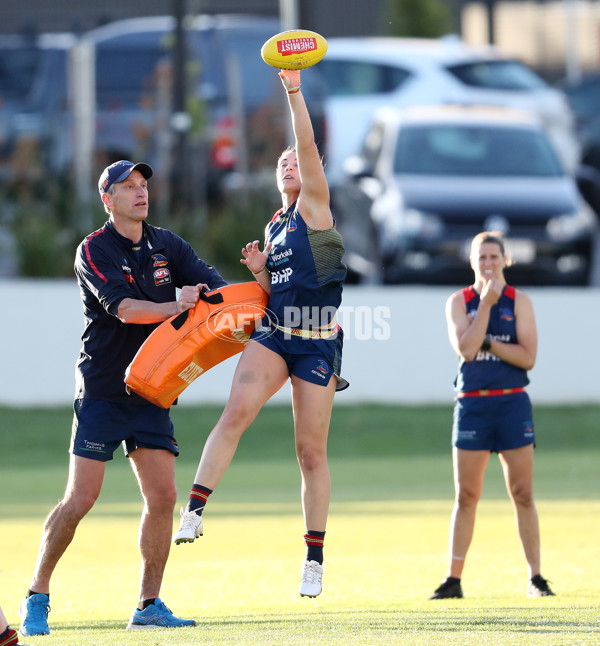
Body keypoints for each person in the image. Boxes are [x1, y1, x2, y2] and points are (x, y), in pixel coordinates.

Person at [19, 160, 227, 636]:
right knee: (80, 499)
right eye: (128, 187)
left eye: (143, 185)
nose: (140, 192)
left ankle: (148, 605)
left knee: (163, 497)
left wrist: (255, 294)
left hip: (153, 390)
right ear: (107, 199)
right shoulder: (93, 249)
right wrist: (178, 304)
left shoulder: (166, 244)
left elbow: (215, 289)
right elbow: (128, 310)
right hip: (103, 391)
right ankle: (37, 594)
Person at [172, 67, 348, 599]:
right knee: (235, 414)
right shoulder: (275, 226)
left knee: (309, 453)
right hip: (276, 332)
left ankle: (314, 559)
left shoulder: (315, 208)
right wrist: (260, 276)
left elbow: (308, 143)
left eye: (294, 159)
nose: (290, 162)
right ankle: (196, 508)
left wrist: (293, 91)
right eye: (282, 163)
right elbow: (280, 294)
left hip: (318, 340)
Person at [429, 231, 555, 600]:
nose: (488, 263)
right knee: (466, 494)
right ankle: (453, 579)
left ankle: (536, 577)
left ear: (505, 260)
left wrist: (487, 340)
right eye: (481, 257)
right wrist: (485, 306)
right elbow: (466, 349)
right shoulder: (459, 301)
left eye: (494, 257)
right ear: (472, 261)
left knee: (523, 493)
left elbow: (527, 357)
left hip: (512, 403)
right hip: (472, 405)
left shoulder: (520, 302)